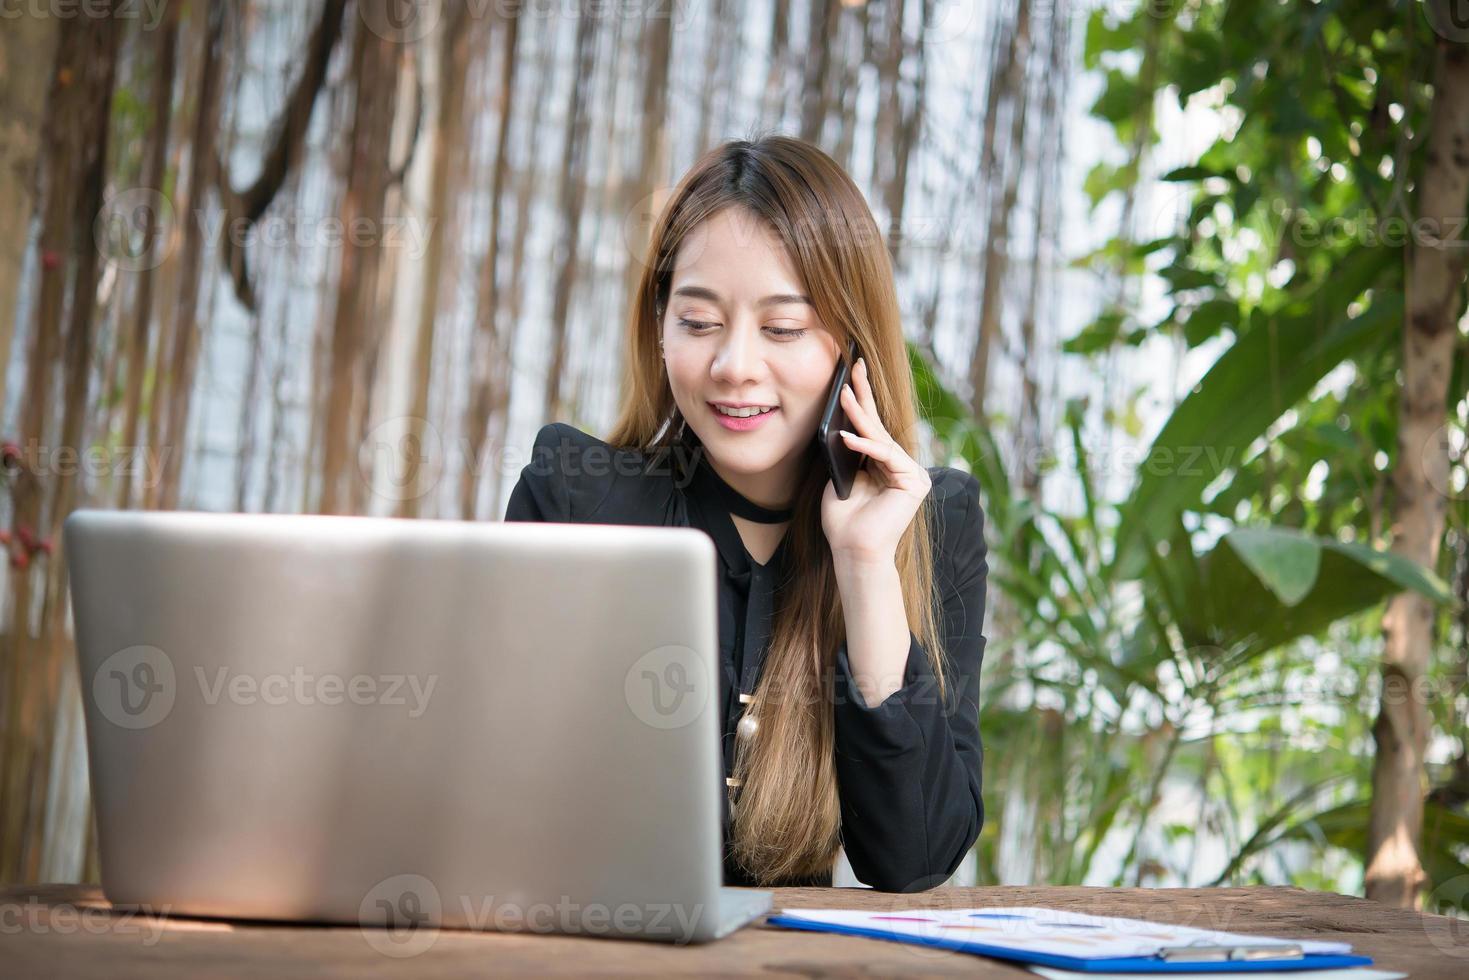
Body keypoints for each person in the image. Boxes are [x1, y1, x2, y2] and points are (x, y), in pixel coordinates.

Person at [504, 134, 988, 893]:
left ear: (852, 348)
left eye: (782, 329)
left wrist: (864, 568)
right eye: (697, 323)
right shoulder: (576, 495)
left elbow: (915, 856)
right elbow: (500, 792)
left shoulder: (933, 524)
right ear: (659, 331)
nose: (733, 365)